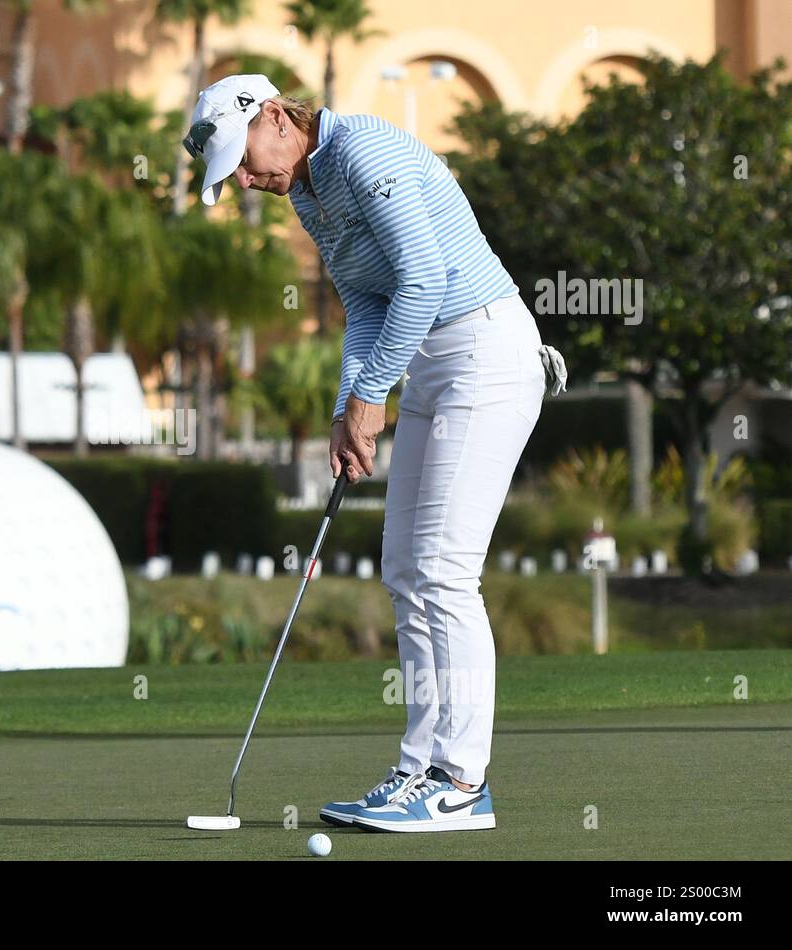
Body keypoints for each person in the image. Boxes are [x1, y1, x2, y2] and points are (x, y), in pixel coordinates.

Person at [183, 74, 566, 832]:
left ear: (274, 117)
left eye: (245, 160)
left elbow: (422, 280)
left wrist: (371, 396)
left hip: (484, 354)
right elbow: (367, 302)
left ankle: (462, 781)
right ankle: (419, 768)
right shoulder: (306, 188)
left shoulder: (364, 151)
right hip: (427, 362)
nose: (248, 180)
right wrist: (344, 407)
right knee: (403, 568)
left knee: (446, 572)